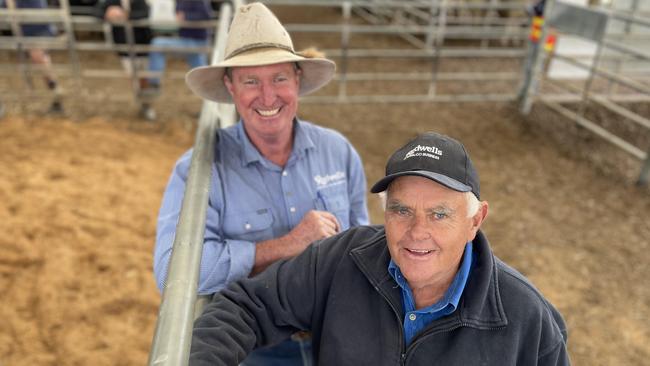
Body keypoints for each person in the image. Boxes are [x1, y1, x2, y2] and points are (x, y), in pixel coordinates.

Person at [189, 132, 571, 366]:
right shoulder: (342, 259)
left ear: (476, 220)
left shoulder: (525, 319)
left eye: (439, 214)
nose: (416, 233)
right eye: (401, 210)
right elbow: (247, 307)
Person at [153, 2, 369, 365]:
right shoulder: (200, 170)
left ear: (297, 80)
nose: (268, 97)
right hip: (256, 347)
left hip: (338, 335)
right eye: (251, 81)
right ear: (230, 88)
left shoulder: (338, 151)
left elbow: (363, 241)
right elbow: (173, 271)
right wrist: (286, 245)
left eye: (279, 78)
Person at [2, 0, 64, 113]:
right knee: (38, 58)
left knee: (38, 56)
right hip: (27, 31)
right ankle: (55, 90)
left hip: (39, 28)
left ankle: (55, 90)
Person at [94, 0, 153, 118]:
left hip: (142, 46)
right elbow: (95, 11)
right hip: (124, 48)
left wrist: (124, 15)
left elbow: (145, 13)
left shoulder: (139, 2)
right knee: (132, 77)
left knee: (145, 77)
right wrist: (107, 13)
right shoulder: (111, 2)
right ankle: (142, 102)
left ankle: (147, 103)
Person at [144, 0, 214, 95]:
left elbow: (207, 16)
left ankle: (154, 83)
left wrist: (186, 17)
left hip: (196, 42)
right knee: (203, 78)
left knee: (157, 44)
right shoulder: (178, 1)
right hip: (188, 41)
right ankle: (210, 92)